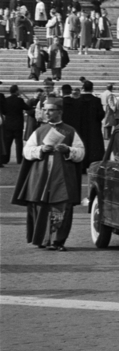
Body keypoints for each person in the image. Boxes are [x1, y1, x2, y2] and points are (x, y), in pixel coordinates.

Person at [11, 97, 85, 251]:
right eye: (45, 110)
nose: (47, 113)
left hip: (62, 176)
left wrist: (68, 150)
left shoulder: (70, 131)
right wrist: (40, 150)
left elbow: (81, 153)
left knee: (61, 208)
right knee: (41, 207)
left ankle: (57, 241)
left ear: (60, 112)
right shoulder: (39, 131)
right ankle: (42, 239)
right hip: (41, 176)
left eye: (50, 110)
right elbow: (27, 151)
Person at [77, 80, 106, 174]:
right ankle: (94, 165)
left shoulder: (78, 100)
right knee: (94, 145)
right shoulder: (96, 100)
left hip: (81, 126)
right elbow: (100, 114)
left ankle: (82, 166)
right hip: (94, 126)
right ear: (92, 88)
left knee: (82, 144)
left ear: (83, 88)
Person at [2, 85, 29, 165]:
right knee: (18, 143)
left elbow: (4, 111)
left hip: (8, 123)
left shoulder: (6, 100)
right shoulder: (19, 100)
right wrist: (25, 96)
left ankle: (5, 159)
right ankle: (19, 159)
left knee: (7, 142)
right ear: (16, 91)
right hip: (18, 123)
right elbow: (27, 107)